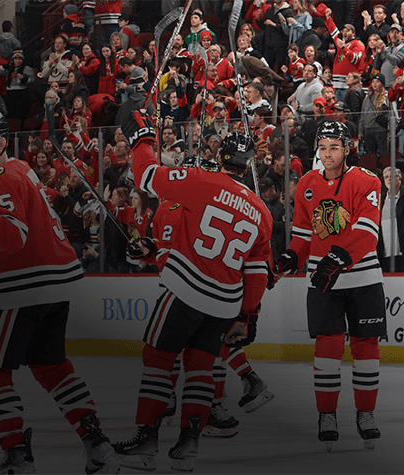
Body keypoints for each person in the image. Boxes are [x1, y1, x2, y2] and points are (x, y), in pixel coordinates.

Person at [113, 113, 272, 471]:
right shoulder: (262, 212)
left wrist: (141, 140)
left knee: (158, 358)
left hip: (186, 287)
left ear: (219, 157)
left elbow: (146, 176)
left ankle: (147, 440)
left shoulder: (204, 180)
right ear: (248, 168)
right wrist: (247, 315)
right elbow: (258, 271)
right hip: (226, 301)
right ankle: (188, 446)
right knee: (200, 367)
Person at [0, 113, 119, 475]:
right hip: (57, 279)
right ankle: (98, 447)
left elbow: (11, 238)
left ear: (0, 142)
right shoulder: (22, 167)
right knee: (52, 367)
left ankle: (16, 456)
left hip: (24, 284)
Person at [275, 121, 386, 451]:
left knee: (366, 348)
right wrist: (288, 259)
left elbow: (367, 231)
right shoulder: (307, 184)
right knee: (327, 349)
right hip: (323, 281)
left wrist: (336, 259)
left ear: (347, 148)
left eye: (334, 147)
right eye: (322, 147)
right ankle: (327, 415)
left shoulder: (367, 181)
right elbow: (303, 237)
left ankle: (366, 414)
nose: (327, 154)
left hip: (362, 277)